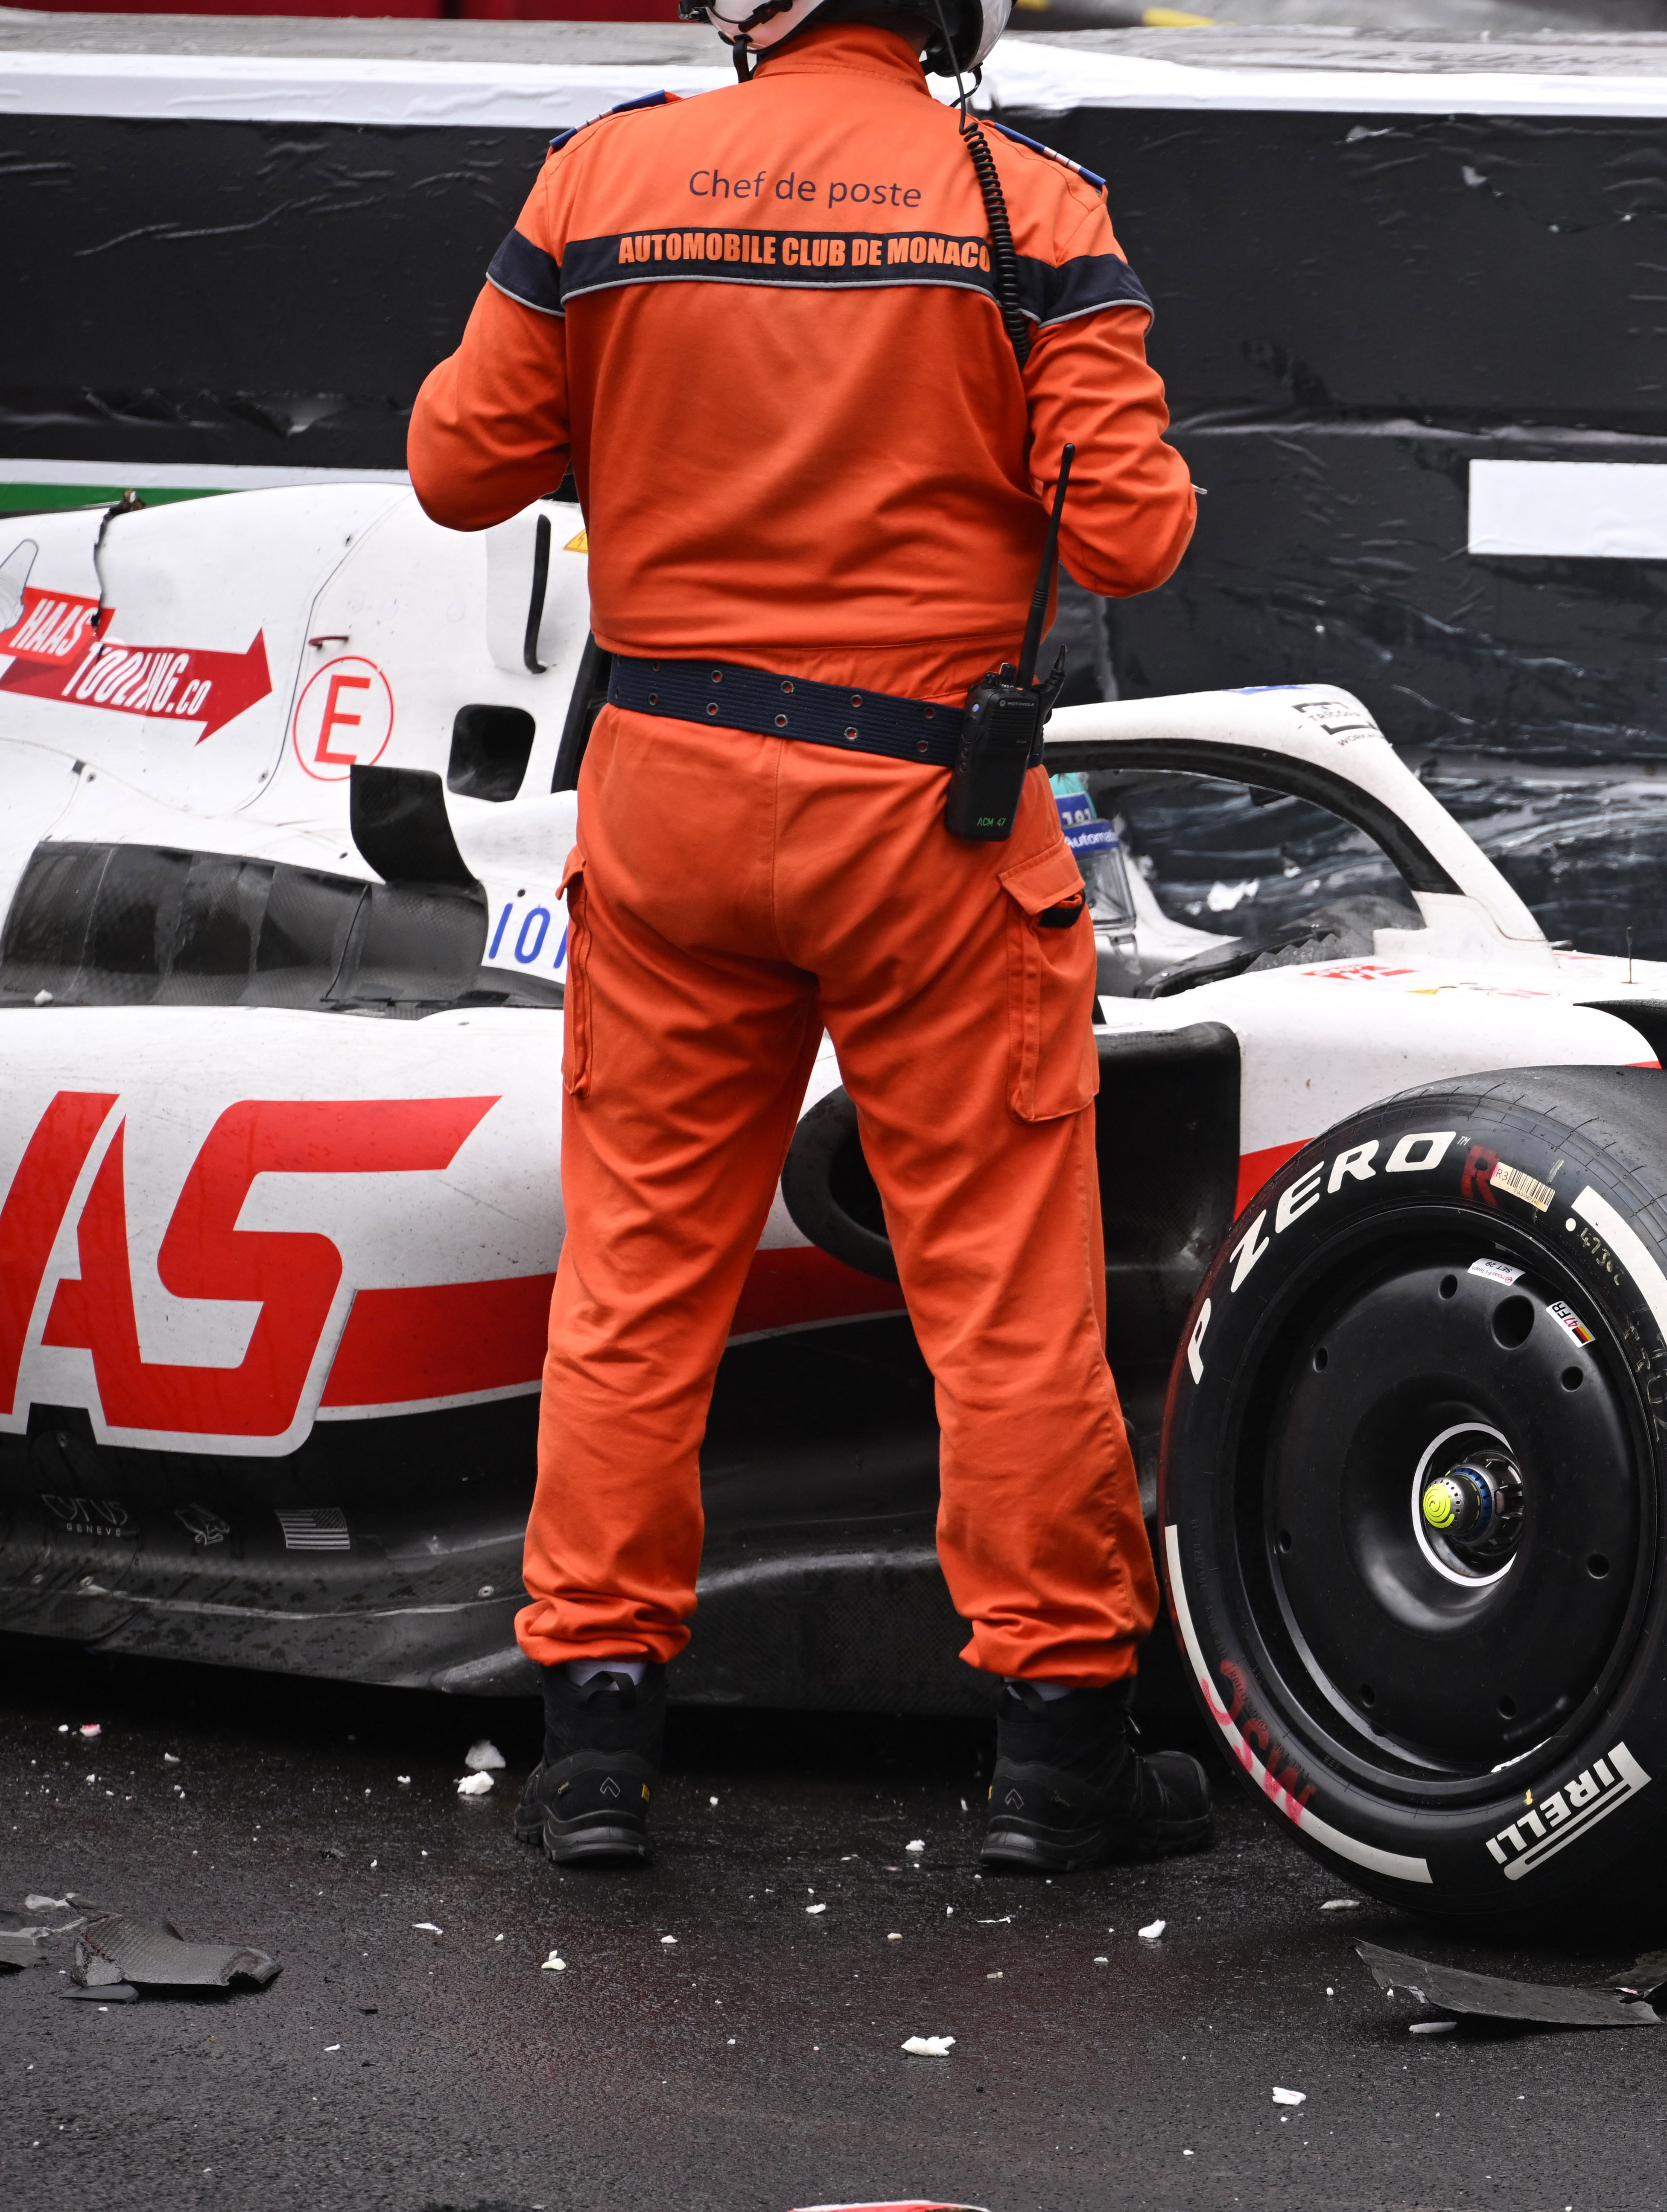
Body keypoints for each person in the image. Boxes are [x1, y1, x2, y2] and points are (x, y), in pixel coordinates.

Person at [407, 0, 1207, 1874]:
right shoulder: (1031, 212)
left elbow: (459, 466)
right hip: (930, 820)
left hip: (671, 805)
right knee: (1003, 1302)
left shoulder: (603, 177)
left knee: (635, 1285)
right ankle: (1057, 1762)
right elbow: (1134, 542)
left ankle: (592, 1754)